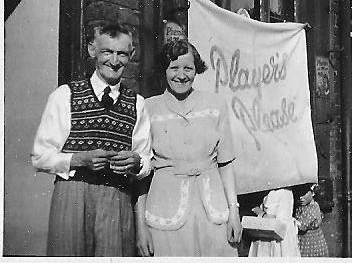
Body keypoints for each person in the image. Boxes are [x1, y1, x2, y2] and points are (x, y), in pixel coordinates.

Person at [31, 22, 151, 256]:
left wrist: (137, 163)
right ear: (92, 50)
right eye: (107, 52)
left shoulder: (137, 103)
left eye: (122, 54)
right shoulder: (65, 95)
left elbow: (146, 161)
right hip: (73, 196)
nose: (114, 61)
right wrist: (79, 160)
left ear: (132, 55)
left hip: (117, 198)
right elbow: (40, 156)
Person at [135, 39, 242, 256]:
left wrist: (234, 212)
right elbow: (140, 175)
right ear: (163, 70)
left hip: (212, 210)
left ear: (197, 70)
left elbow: (226, 164)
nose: (181, 75)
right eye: (174, 67)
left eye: (188, 68)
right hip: (165, 208)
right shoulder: (148, 108)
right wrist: (140, 228)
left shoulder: (216, 105)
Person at [248, 188, 300, 257]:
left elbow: (280, 223)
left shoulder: (285, 192)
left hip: (279, 238)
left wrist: (261, 213)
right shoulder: (270, 190)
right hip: (266, 235)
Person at [293, 183, 329, 257]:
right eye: (299, 194)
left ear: (313, 193)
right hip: (302, 241)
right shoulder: (300, 206)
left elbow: (302, 225)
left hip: (312, 242)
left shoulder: (313, 207)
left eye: (304, 194)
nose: (300, 197)